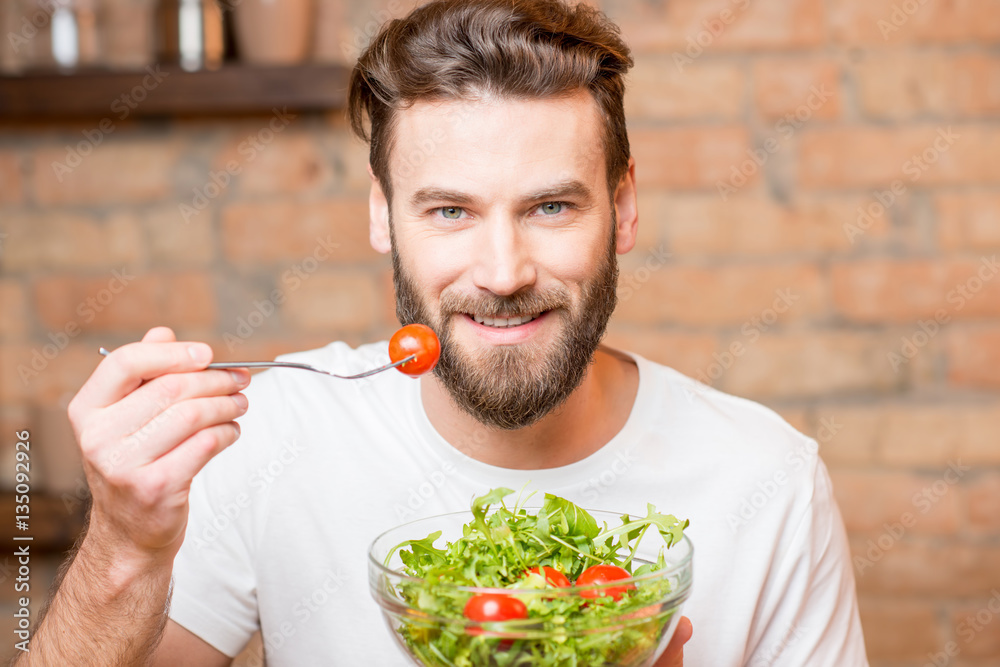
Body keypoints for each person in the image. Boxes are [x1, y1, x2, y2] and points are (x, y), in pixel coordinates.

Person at [19, 0, 868, 665]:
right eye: (451, 210)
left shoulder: (770, 482)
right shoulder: (270, 434)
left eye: (551, 206)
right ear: (384, 216)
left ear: (625, 207)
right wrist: (124, 546)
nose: (502, 272)